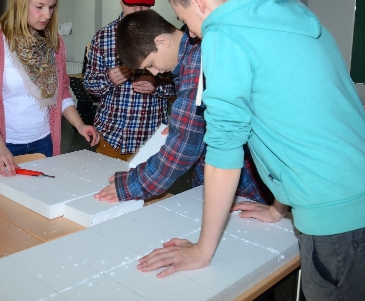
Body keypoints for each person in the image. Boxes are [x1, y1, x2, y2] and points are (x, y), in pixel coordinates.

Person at [138, 0, 365, 300]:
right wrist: (280, 207)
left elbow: (224, 149)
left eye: (184, 19)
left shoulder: (223, 35)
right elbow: (295, 121)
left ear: (198, 3)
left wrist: (202, 250)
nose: (189, 32)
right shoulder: (290, 14)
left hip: (339, 222)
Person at [94, 10, 271, 205]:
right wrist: (182, 122)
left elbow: (183, 147)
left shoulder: (196, 66)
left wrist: (132, 185)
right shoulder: (191, 54)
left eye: (151, 64)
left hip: (243, 187)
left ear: (162, 41)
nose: (154, 72)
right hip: (212, 173)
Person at [0, 0, 98, 178]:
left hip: (44, 142)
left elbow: (62, 91)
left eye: (52, 7)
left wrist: (80, 125)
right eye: (39, 7)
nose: (47, 15)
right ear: (20, 3)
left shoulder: (54, 43)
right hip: (5, 145)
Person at [84, 0, 175, 161]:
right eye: (132, 4)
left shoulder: (165, 37)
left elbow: (179, 88)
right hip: (110, 139)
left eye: (144, 5)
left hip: (150, 142)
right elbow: (90, 87)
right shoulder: (103, 38)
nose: (138, 10)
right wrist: (109, 79)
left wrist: (156, 85)